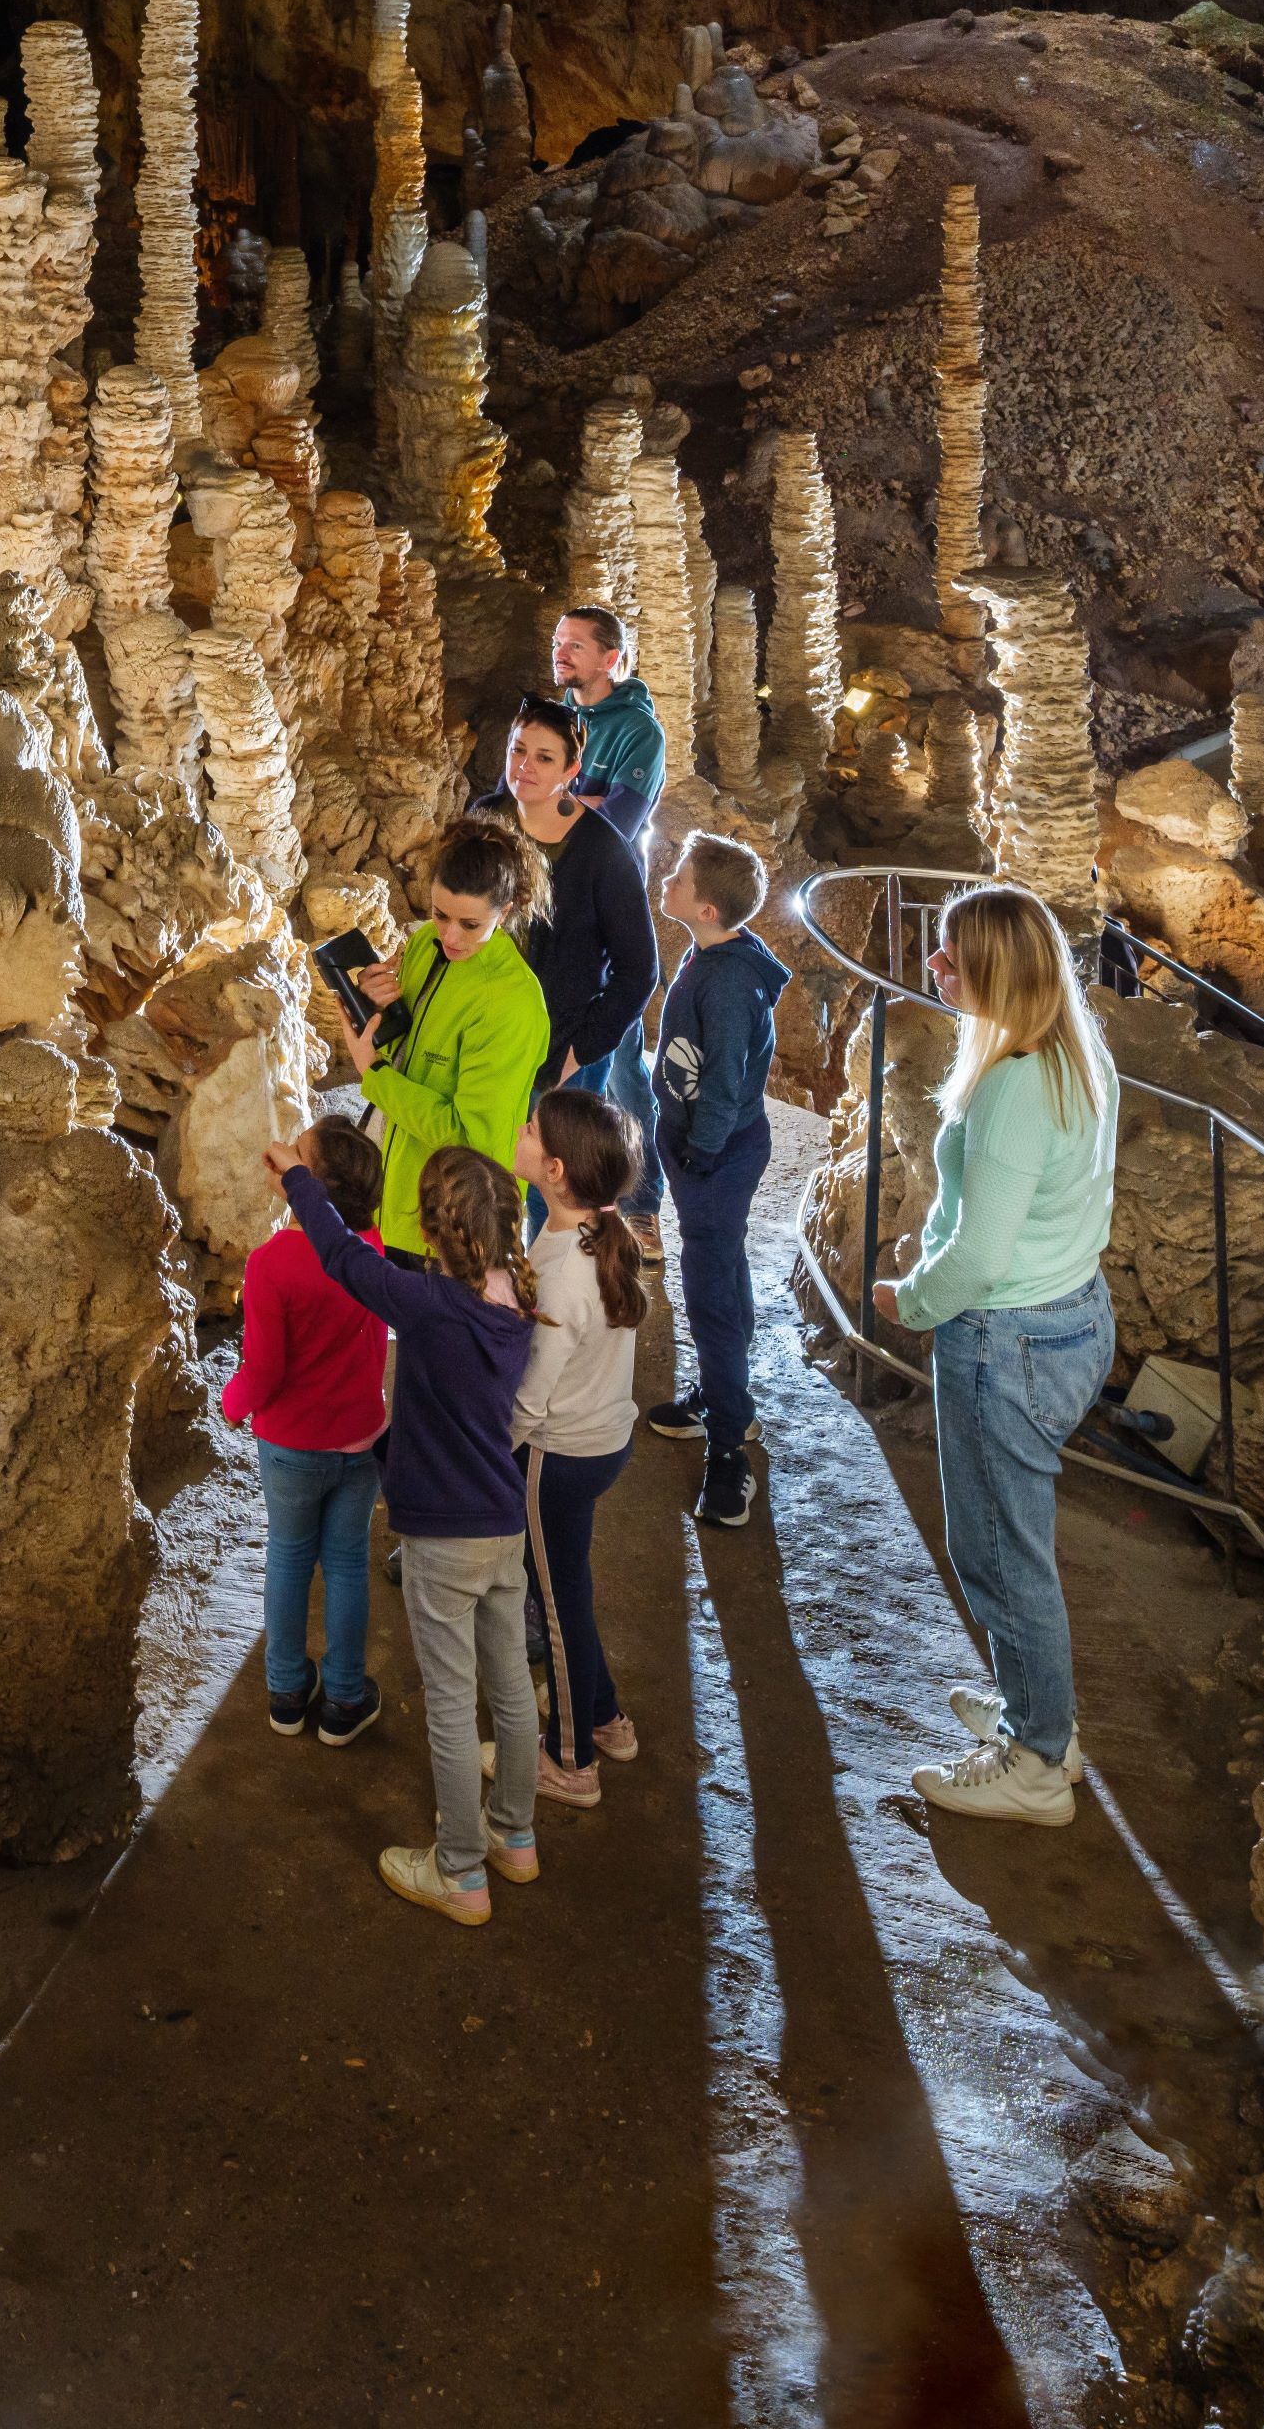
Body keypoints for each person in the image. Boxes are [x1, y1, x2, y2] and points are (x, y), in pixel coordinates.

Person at [887, 881, 1125, 1828]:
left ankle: (1035, 1763)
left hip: (1007, 1340)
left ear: (996, 970)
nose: (935, 965)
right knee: (1011, 1543)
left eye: (952, 956)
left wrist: (910, 1300)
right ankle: (1041, 1715)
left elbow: (981, 1257)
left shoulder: (1017, 1085)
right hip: (1072, 1316)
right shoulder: (1072, 1053)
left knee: (998, 1554)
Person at [273, 1138, 543, 1925]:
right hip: (503, 1526)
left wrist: (297, 1179)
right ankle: (515, 1835)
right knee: (510, 1691)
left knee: (452, 1706)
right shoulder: (517, 1302)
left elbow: (341, 1257)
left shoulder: (430, 1305)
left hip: (443, 1538)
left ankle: (459, 1871)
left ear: (430, 1231)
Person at [222, 1119, 399, 1746]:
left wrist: (232, 1403)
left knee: (290, 1557)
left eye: (298, 1153)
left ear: (310, 1190)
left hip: (292, 1445)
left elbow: (264, 1369)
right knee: (347, 1562)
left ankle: (288, 1692)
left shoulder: (271, 1264)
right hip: (360, 1438)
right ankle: (345, 1698)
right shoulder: (371, 1246)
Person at [640, 828, 788, 1530]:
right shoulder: (712, 952)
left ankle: (729, 1448)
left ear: (705, 909)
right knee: (724, 1270)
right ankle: (722, 1396)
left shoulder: (727, 983)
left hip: (717, 1153)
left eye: (679, 877)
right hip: (707, 1148)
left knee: (710, 1300)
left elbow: (724, 1080)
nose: (666, 880)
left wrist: (699, 1151)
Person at [515, 1087, 652, 1803]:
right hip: (600, 1438)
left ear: (556, 1170)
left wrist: (489, 1453)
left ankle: (570, 1763)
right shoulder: (596, 1236)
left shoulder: (563, 1273)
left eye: (531, 1130)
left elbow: (531, 1397)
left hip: (557, 1455)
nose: (520, 1131)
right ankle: (604, 1717)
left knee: (557, 1605)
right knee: (567, 1583)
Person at [337, 818, 553, 1259]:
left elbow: (469, 1136)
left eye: (471, 924)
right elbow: (408, 1053)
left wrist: (372, 1073)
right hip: (394, 1204)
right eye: (440, 915)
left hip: (452, 1230)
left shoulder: (510, 1003)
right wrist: (376, 1010)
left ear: (505, 912)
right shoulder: (425, 946)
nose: (450, 936)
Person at [503, 701, 662, 1218]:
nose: (525, 766)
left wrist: (578, 1052)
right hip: (491, 1034)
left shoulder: (603, 851)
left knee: (555, 1195)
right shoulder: (487, 820)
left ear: (572, 769)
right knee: (486, 1180)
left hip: (561, 1044)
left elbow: (638, 970)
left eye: (544, 757)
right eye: (518, 750)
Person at [554, 601, 665, 848]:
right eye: (558, 644)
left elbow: (618, 825)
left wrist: (548, 801)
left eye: (576, 646)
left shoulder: (641, 733)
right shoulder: (550, 721)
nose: (560, 655)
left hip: (606, 870)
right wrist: (587, 803)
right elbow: (511, 800)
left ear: (609, 659)